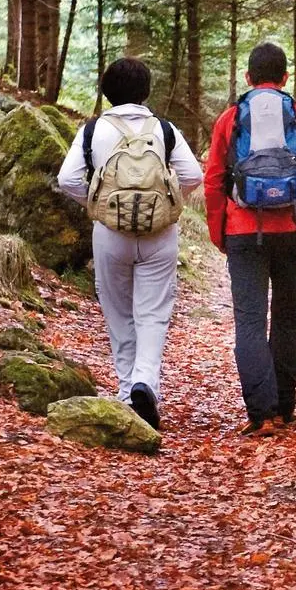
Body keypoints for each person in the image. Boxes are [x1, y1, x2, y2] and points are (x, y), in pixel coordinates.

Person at [56, 57, 203, 431]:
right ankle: (145, 384)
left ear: (107, 92)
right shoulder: (165, 129)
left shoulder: (93, 131)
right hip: (160, 235)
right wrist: (168, 200)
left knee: (118, 313)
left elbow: (68, 179)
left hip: (110, 235)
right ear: (145, 92)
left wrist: (98, 204)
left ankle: (126, 394)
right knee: (152, 314)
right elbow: (192, 175)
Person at [206, 42, 296, 437]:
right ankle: (284, 409)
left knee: (249, 320)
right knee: (288, 316)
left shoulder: (230, 119)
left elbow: (213, 181)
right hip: (294, 229)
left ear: (248, 78)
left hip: (243, 230)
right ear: (284, 79)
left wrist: (219, 231)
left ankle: (260, 414)